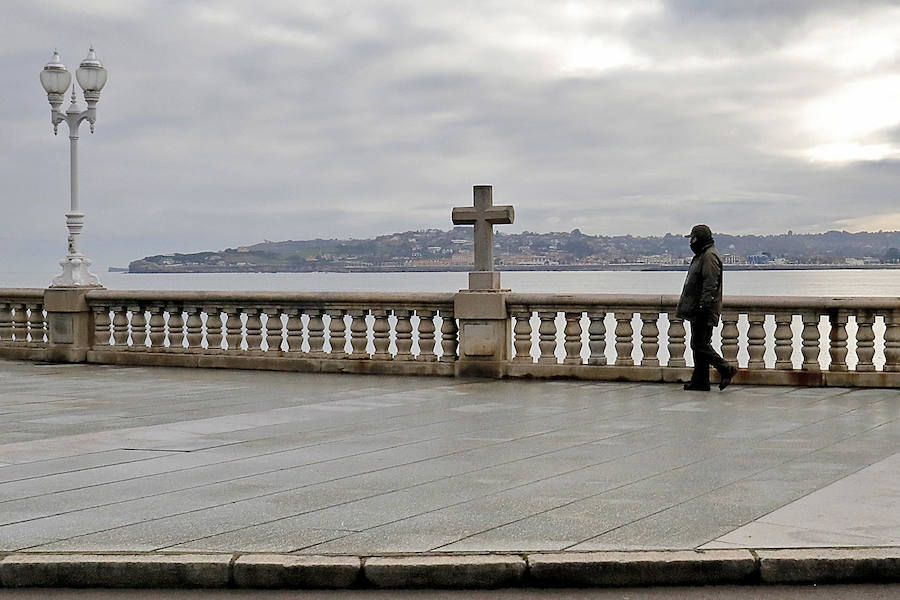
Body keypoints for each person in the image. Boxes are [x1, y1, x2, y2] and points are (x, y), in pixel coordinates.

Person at [675, 224, 738, 391]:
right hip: (698, 307)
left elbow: (710, 284)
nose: (691, 242)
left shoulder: (709, 256)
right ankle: (700, 381)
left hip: (704, 308)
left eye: (693, 238)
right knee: (699, 344)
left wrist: (704, 306)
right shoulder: (702, 254)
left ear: (700, 238)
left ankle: (726, 368)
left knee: (700, 344)